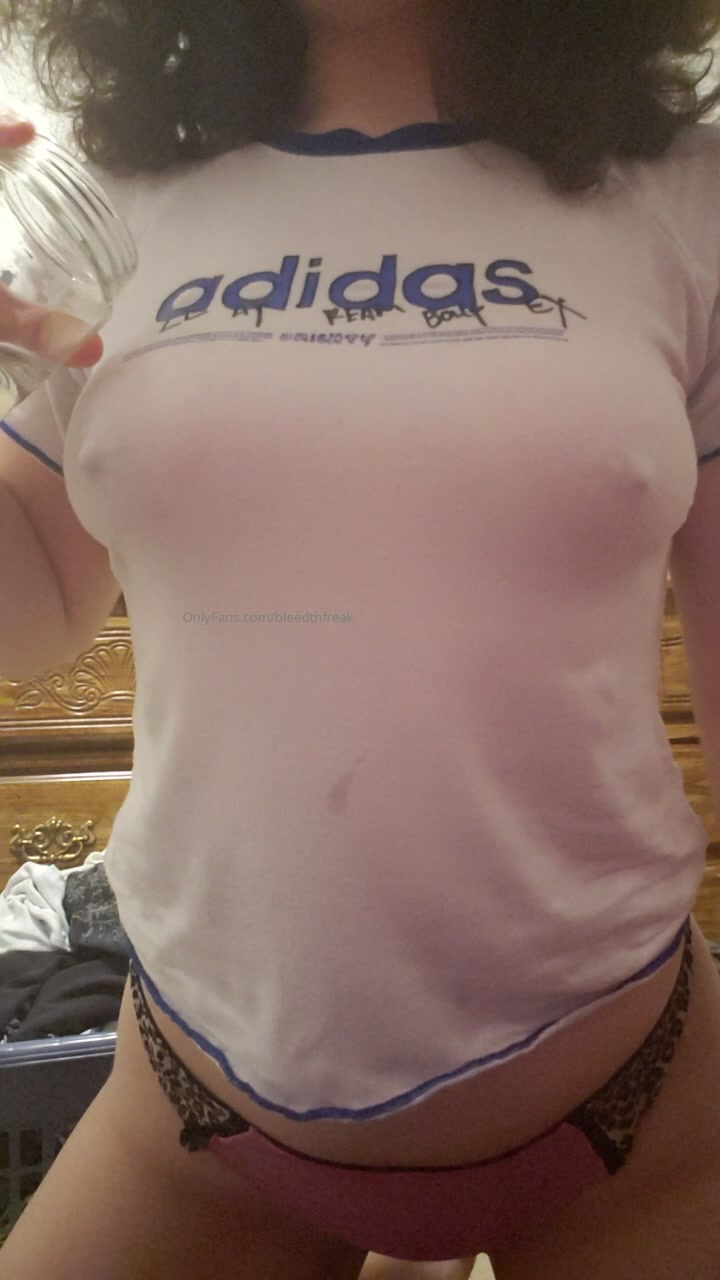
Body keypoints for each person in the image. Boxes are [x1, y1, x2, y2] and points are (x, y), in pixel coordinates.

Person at [0, 1, 720, 1276]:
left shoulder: (687, 193)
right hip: (195, 1111)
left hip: (633, 1114)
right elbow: (31, 605)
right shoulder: (101, 195)